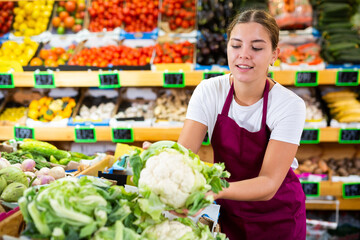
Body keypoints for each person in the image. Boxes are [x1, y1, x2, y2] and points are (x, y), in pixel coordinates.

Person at [177, 9, 307, 240]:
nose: (244, 55)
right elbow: (183, 155)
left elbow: (268, 183)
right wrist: (162, 157)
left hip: (278, 217)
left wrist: (213, 191)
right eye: (236, 45)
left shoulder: (289, 105)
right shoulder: (209, 91)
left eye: (256, 48)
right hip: (228, 212)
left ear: (274, 54)